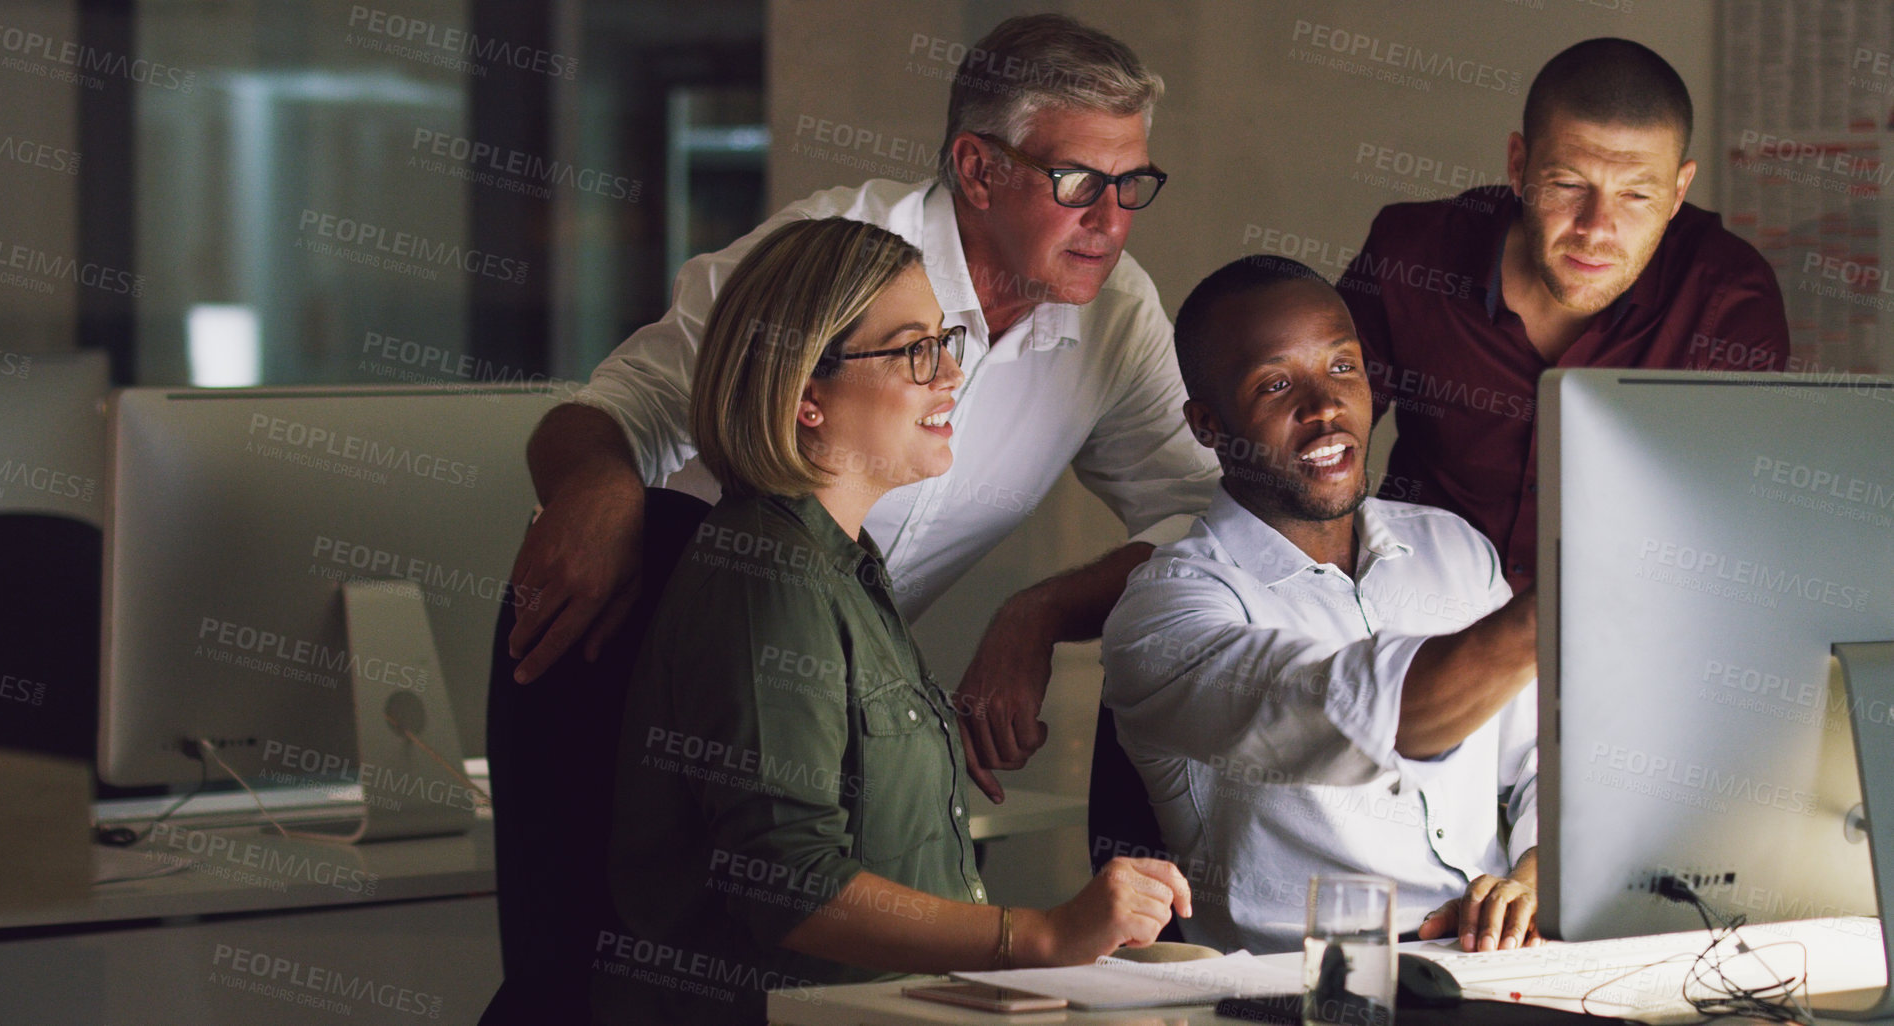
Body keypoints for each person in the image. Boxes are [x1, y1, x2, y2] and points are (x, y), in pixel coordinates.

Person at [509, 14, 1219, 799]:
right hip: (624, 649)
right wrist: (599, 489)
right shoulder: (830, 252)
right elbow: (618, 409)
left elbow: (1203, 518)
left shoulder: (1116, 314)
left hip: (824, 698)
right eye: (1079, 182)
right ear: (977, 169)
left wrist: (1042, 612)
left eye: (1131, 186)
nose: (1111, 221)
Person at [601, 217, 1191, 1025]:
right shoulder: (767, 576)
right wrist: (1042, 936)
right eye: (916, 349)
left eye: (946, 341)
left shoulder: (842, 563)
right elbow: (789, 886)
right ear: (807, 396)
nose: (950, 373)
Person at [1102, 256, 1540, 956]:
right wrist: (1559, 604)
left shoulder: (1453, 547)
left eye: (1342, 368)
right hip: (1303, 993)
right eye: (1275, 385)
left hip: (1492, 963)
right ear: (1207, 424)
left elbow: (1542, 753)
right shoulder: (1166, 613)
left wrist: (1534, 873)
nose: (1324, 408)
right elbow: (1371, 714)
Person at [1337, 37, 1788, 591]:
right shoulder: (1410, 254)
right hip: (1421, 623)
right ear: (1518, 164)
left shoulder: (1729, 298)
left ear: (1678, 191)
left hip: (1629, 630)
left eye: (1637, 196)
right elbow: (1314, 440)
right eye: (1569, 185)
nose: (1596, 228)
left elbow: (1731, 528)